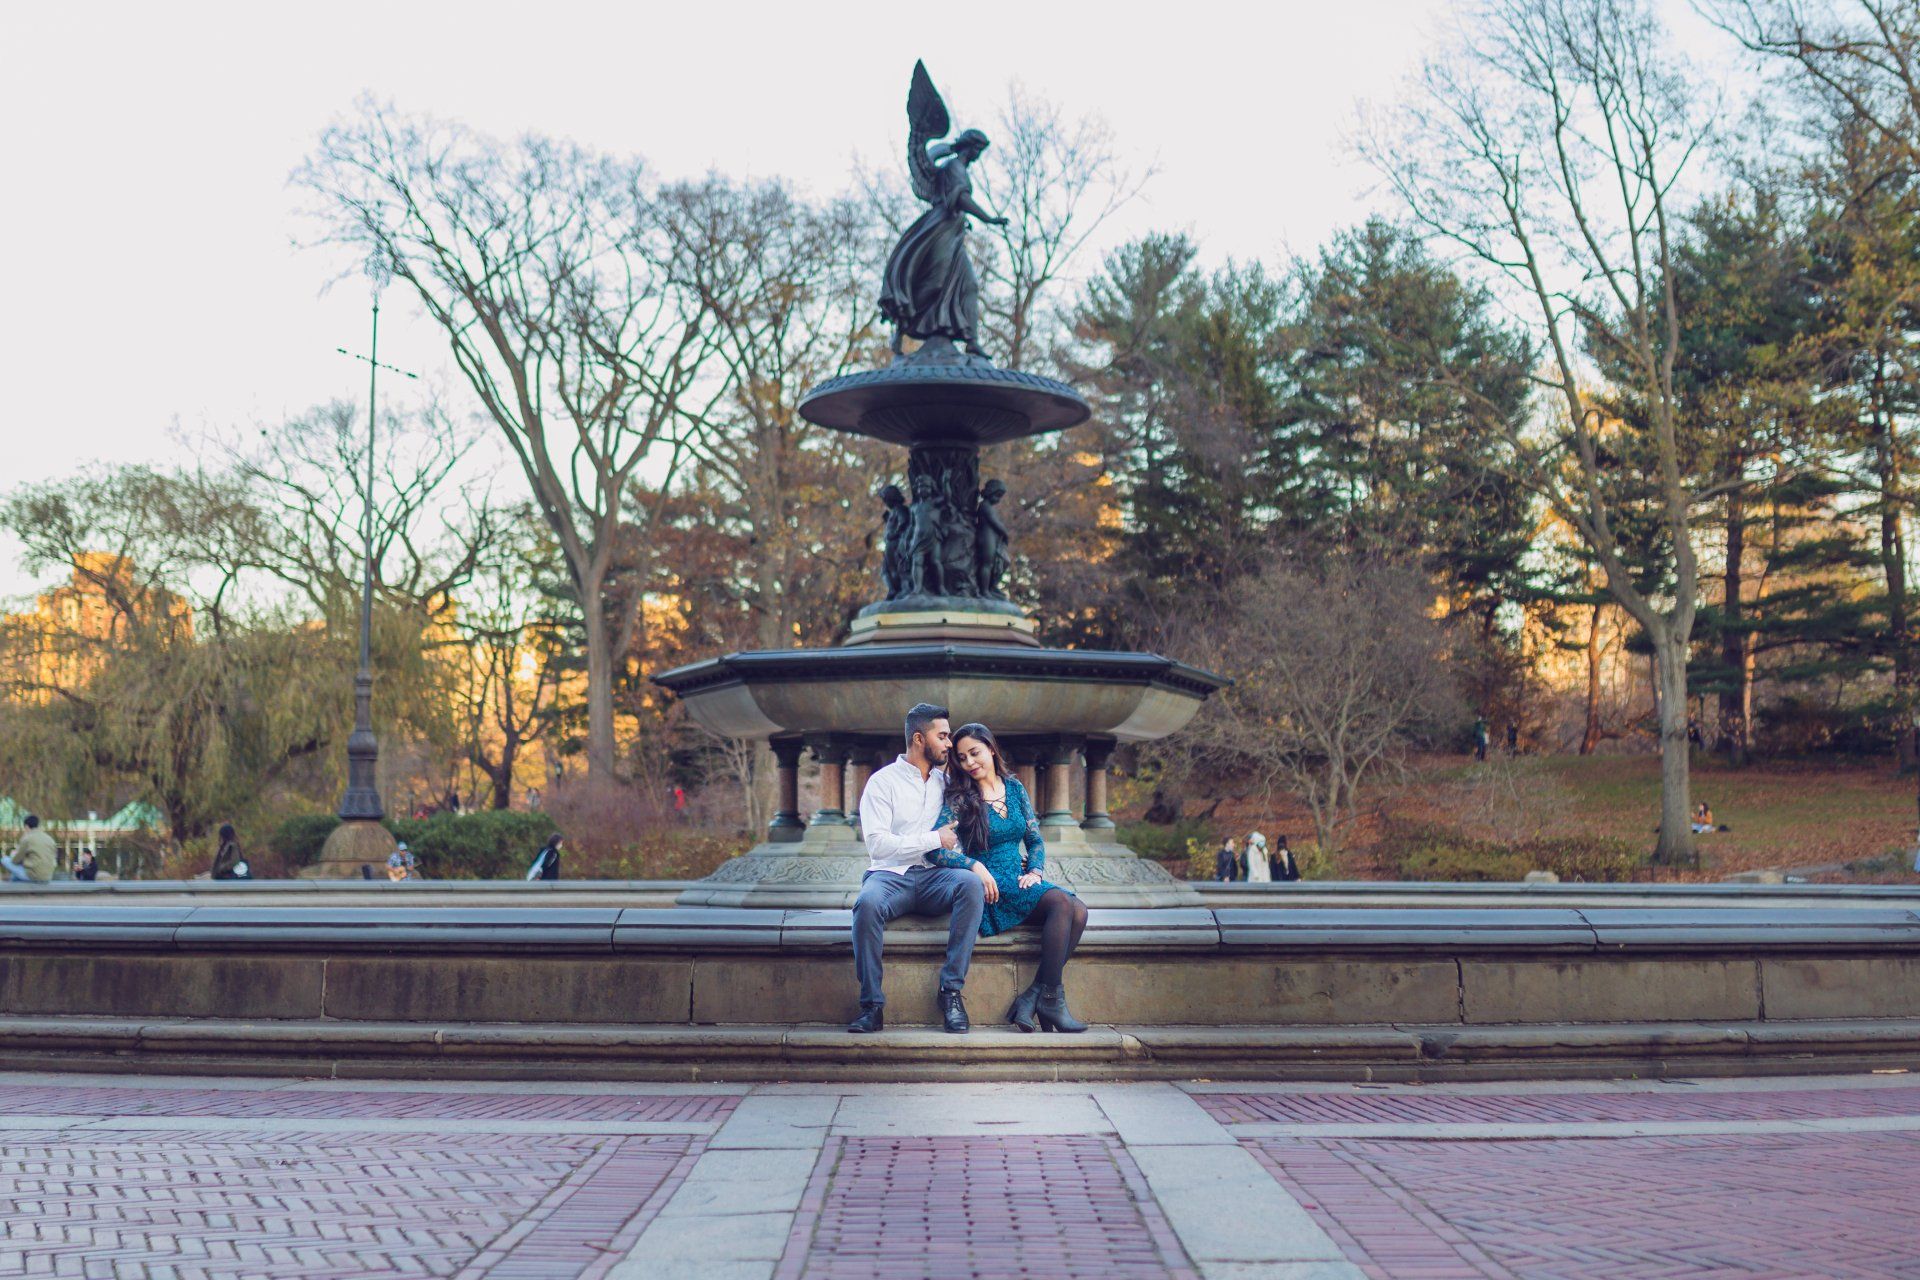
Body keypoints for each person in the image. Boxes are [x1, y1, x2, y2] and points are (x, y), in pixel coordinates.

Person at [934, 722, 1089, 1033]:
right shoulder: (960, 798)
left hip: (1019, 878)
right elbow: (936, 850)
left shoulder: (1015, 788)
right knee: (1062, 902)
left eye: (974, 753)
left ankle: (1036, 995)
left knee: (1080, 911)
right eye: (962, 758)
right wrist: (973, 868)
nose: (969, 763)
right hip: (991, 885)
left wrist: (1035, 870)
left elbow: (1034, 839)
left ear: (991, 749)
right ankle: (1047, 999)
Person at [848, 702, 984, 1036]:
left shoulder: (948, 783)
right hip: (890, 876)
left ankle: (950, 993)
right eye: (943, 736)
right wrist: (932, 838)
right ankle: (871, 1006)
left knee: (970, 885)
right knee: (866, 905)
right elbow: (878, 845)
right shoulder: (882, 783)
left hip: (937, 877)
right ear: (920, 739)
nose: (950, 744)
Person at [2, 815, 56, 883]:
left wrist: (14, 854)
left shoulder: (27, 838)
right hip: (48, 877)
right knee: (15, 877)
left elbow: (15, 861)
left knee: (5, 859)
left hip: (33, 876)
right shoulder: (50, 839)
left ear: (26, 826)